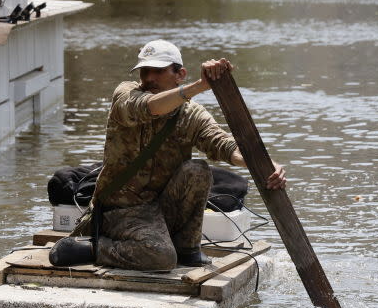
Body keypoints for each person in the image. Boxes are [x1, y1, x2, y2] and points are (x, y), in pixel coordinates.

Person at [50, 40, 286, 271]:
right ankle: (92, 248)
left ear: (179, 74)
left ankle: (187, 248)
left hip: (160, 207)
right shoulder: (126, 94)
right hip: (121, 209)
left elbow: (224, 145)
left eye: (158, 71)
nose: (149, 78)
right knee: (161, 257)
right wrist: (201, 86)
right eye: (145, 71)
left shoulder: (191, 114)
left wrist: (265, 166)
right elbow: (150, 107)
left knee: (198, 170)